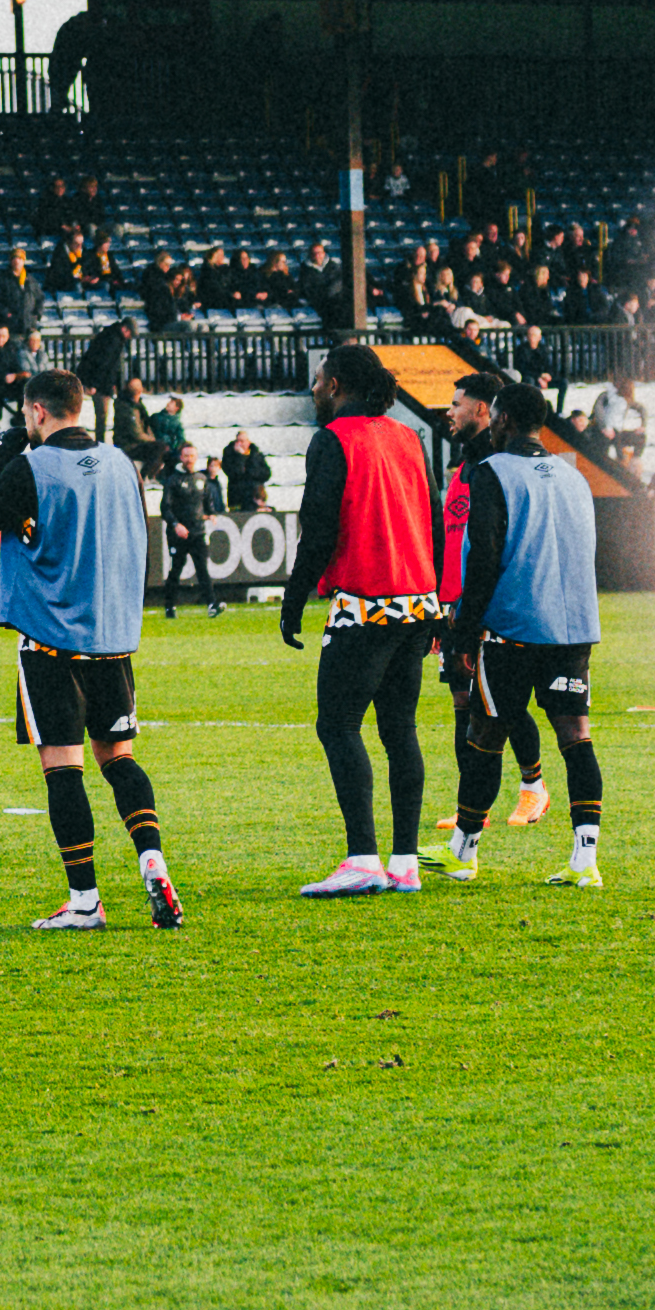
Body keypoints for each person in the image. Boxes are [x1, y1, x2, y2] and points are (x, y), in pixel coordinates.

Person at [0, 369, 178, 931]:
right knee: (119, 757)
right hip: (111, 634)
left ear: (35, 412)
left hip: (50, 634)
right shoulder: (121, 464)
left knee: (63, 766)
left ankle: (85, 899)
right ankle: (152, 859)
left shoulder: (30, 466)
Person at [277, 343, 445, 897]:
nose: (314, 387)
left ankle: (361, 859)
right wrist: (440, 603)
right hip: (418, 602)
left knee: (339, 725)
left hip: (366, 603)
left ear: (336, 384)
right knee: (400, 731)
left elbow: (319, 529)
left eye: (319, 378)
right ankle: (404, 863)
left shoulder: (332, 440)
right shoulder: (408, 438)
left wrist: (294, 598)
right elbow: (433, 519)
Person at [449, 374, 611, 886]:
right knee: (576, 737)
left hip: (514, 628)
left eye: (494, 416)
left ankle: (464, 851)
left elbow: (486, 558)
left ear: (505, 420)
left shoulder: (491, 471)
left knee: (485, 733)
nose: (491, 424)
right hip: (575, 628)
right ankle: (585, 861)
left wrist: (463, 633)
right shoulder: (574, 476)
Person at [155, 446, 217, 619]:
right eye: (186, 456)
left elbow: (207, 501)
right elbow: (165, 508)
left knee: (202, 568)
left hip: (197, 531)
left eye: (192, 456)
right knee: (176, 568)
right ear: (181, 458)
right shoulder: (173, 480)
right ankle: (169, 606)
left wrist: (210, 514)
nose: (189, 459)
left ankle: (212, 604)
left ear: (196, 457)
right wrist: (176, 524)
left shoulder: (201, 478)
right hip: (178, 533)